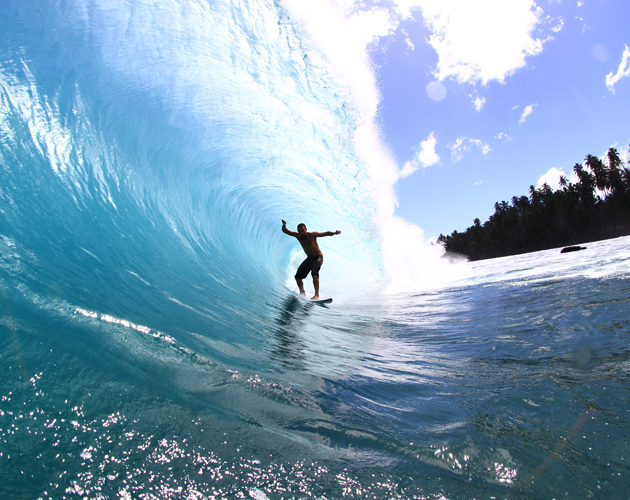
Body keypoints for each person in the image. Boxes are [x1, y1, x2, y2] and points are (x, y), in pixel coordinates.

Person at [281, 219, 341, 300]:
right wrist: (284, 225)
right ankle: (302, 292)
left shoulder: (312, 235)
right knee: (298, 277)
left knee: (314, 274)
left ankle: (316, 295)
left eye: (303, 230)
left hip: (318, 257)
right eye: (299, 231)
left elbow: (325, 233)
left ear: (306, 229)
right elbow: (285, 231)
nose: (301, 232)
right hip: (309, 258)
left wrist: (334, 233)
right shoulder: (297, 235)